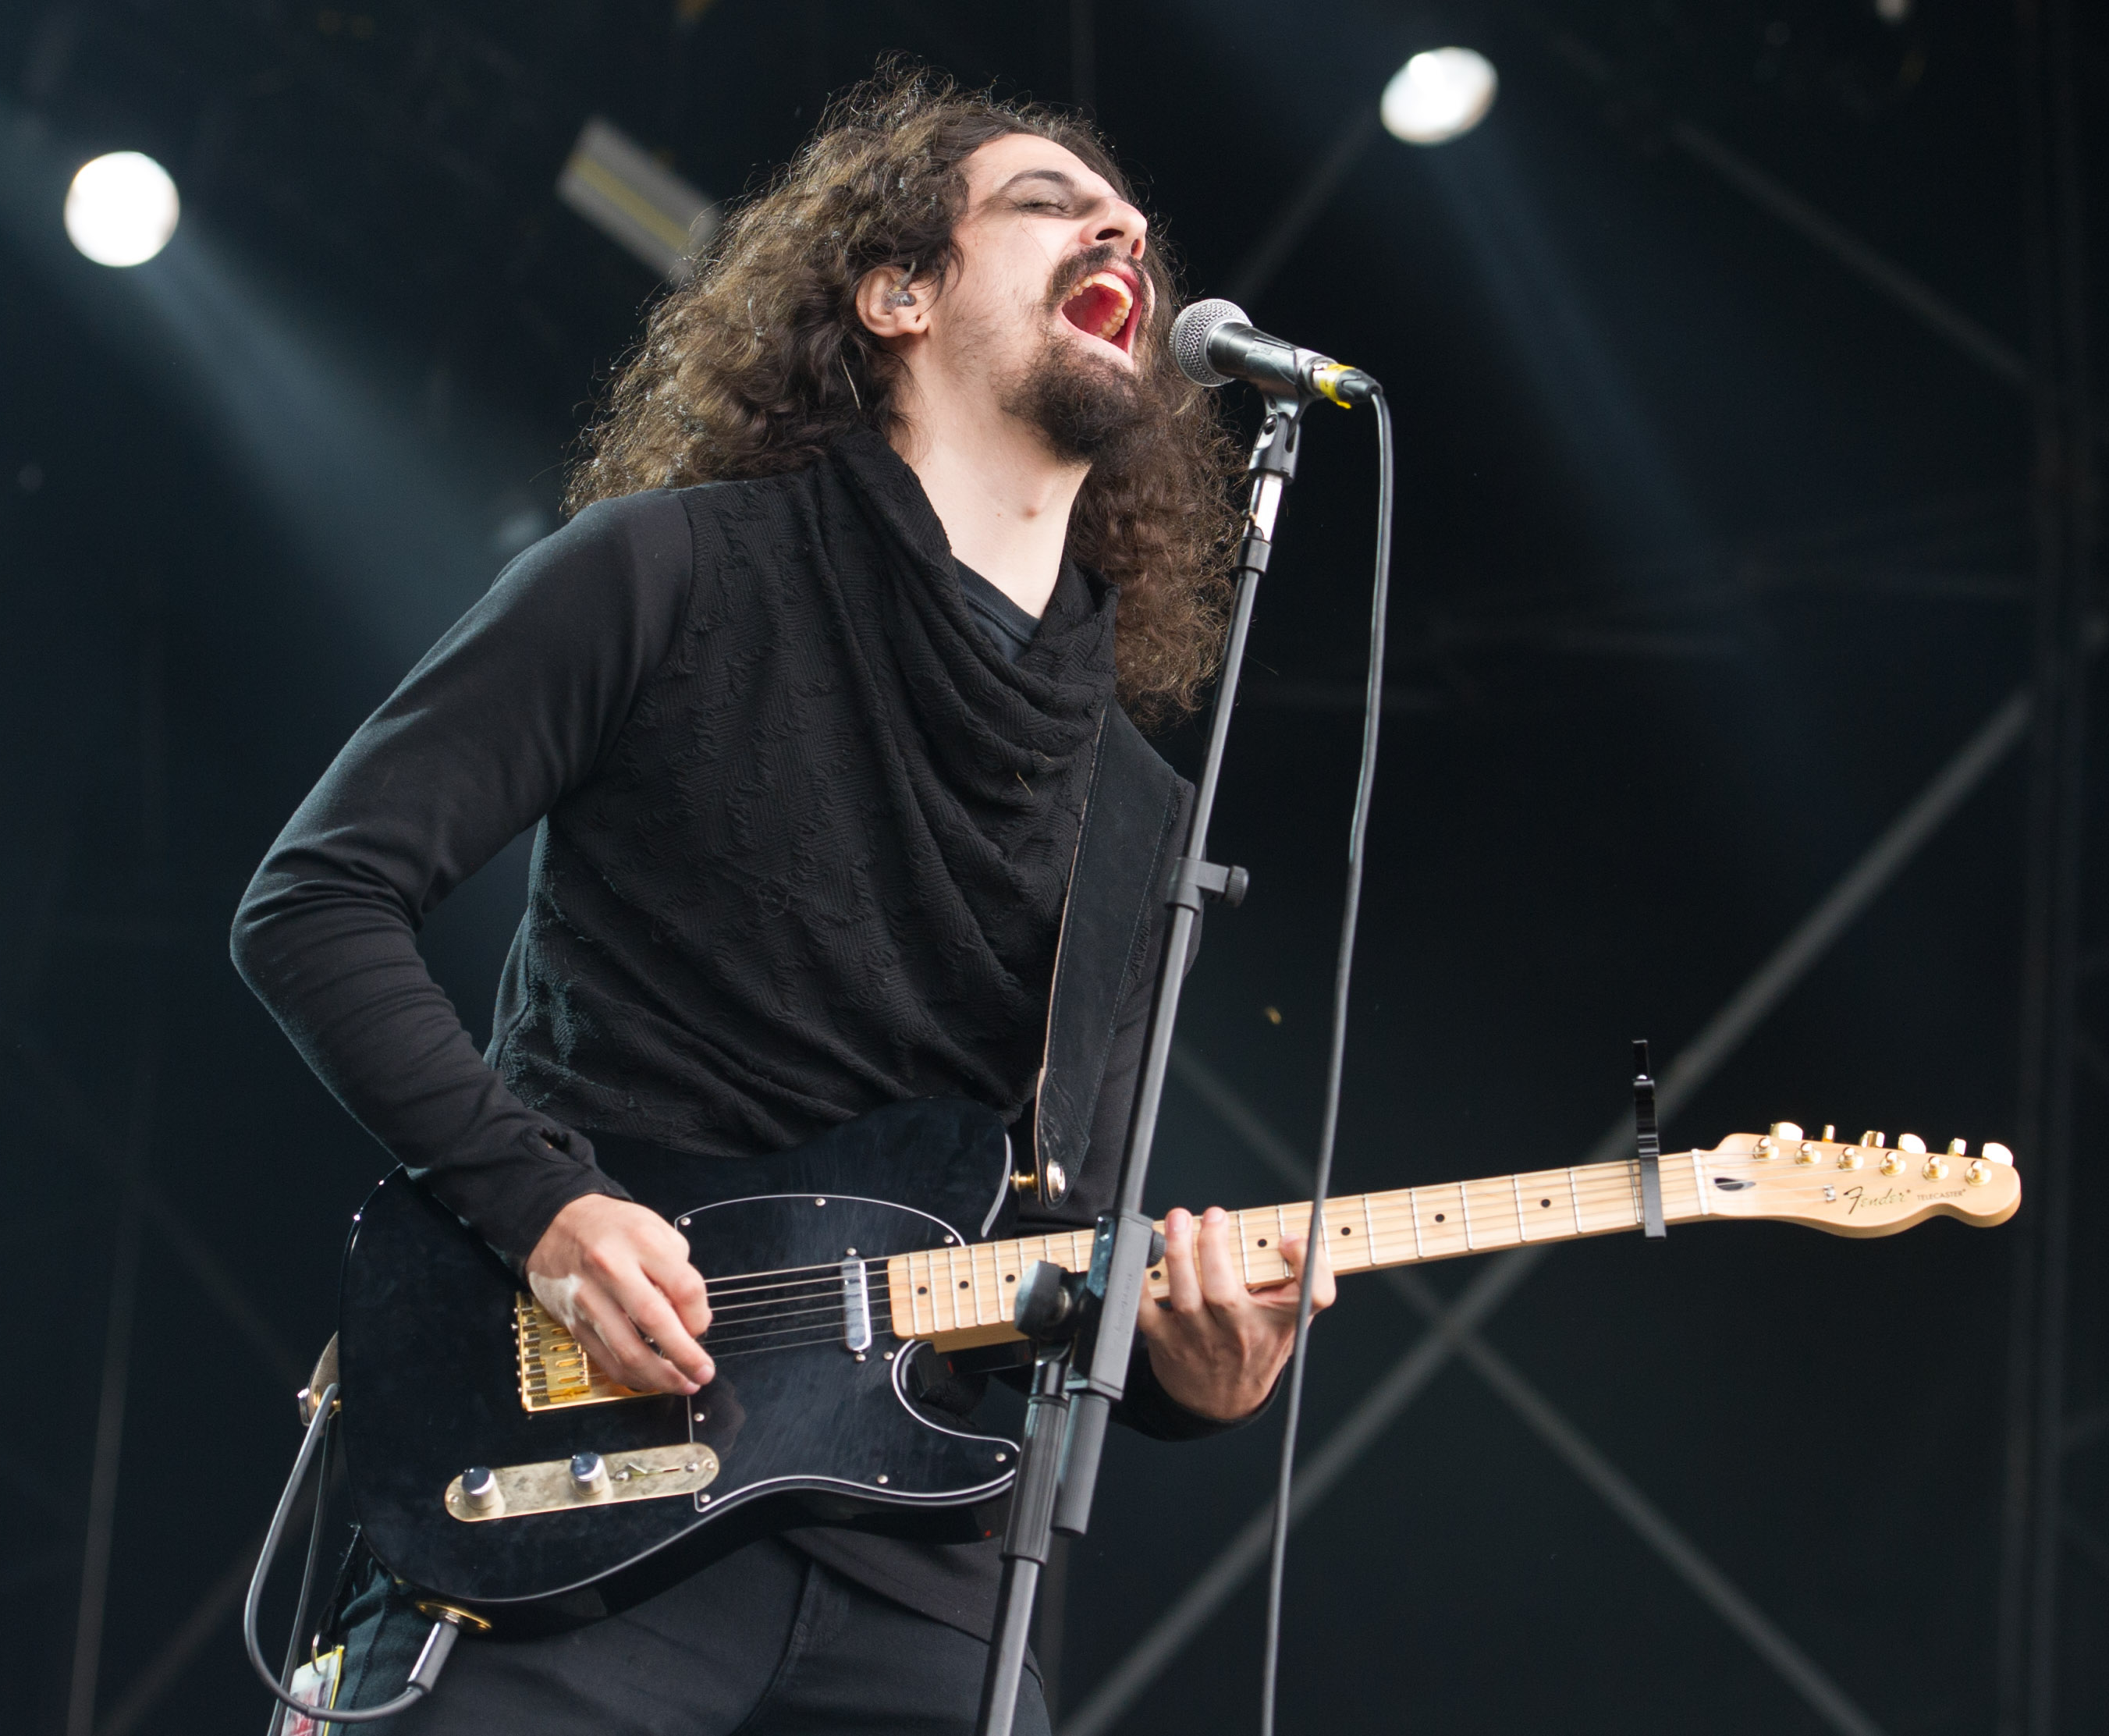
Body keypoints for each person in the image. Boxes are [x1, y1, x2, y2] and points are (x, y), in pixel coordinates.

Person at [231, 64, 1335, 1734]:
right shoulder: (666, 570)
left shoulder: (1135, 810)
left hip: (928, 1571)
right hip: (585, 1464)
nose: (1121, 224)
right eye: (1046, 202)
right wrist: (542, 1206)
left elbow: (1051, 1222)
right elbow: (313, 899)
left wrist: (1193, 1375)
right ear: (894, 292)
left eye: (1128, 220)